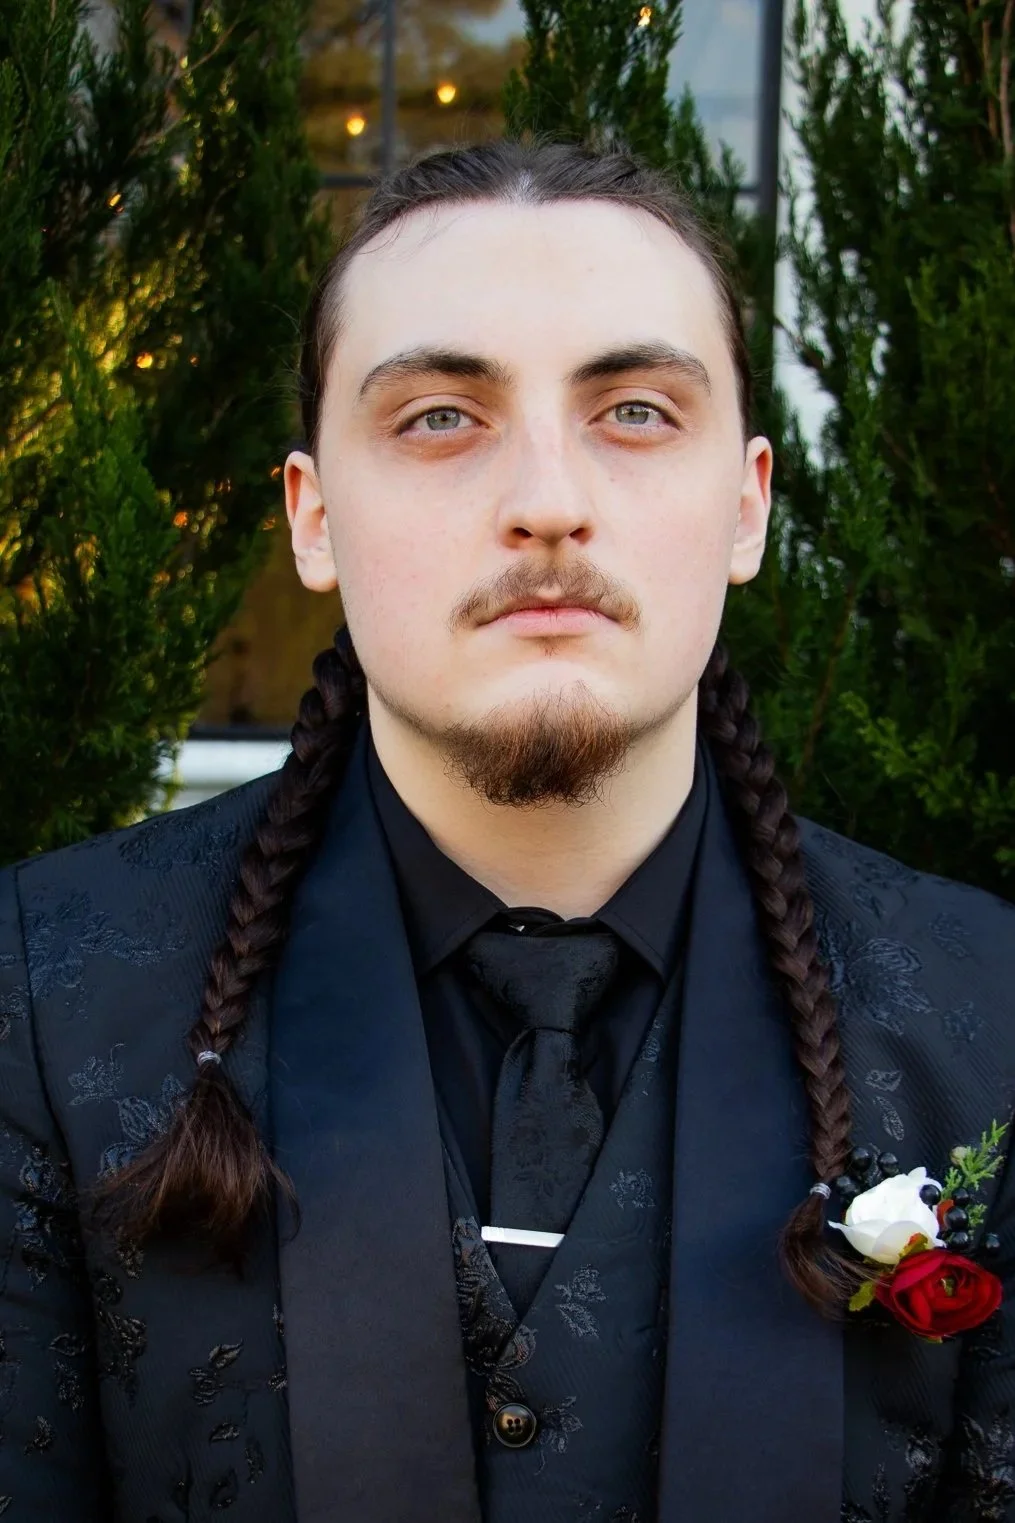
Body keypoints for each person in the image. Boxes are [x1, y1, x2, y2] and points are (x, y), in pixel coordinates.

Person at [0, 136, 1013, 1523]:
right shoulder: (40, 999)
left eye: (636, 411)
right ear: (312, 519)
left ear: (746, 503)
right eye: (438, 417)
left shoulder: (988, 1012)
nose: (545, 498)